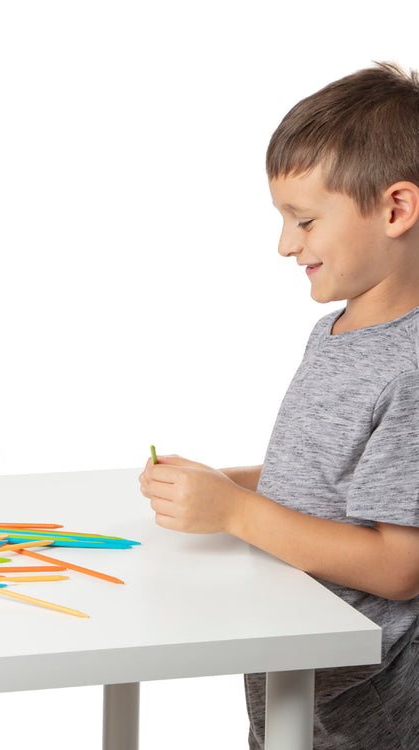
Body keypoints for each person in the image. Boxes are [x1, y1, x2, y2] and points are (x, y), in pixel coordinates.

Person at [139, 62, 419, 749]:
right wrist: (224, 483)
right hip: (300, 671)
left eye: (303, 219)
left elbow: (399, 564)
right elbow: (331, 484)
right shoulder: (335, 332)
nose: (285, 243)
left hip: (368, 703)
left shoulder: (411, 364)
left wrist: (234, 512)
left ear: (395, 209)